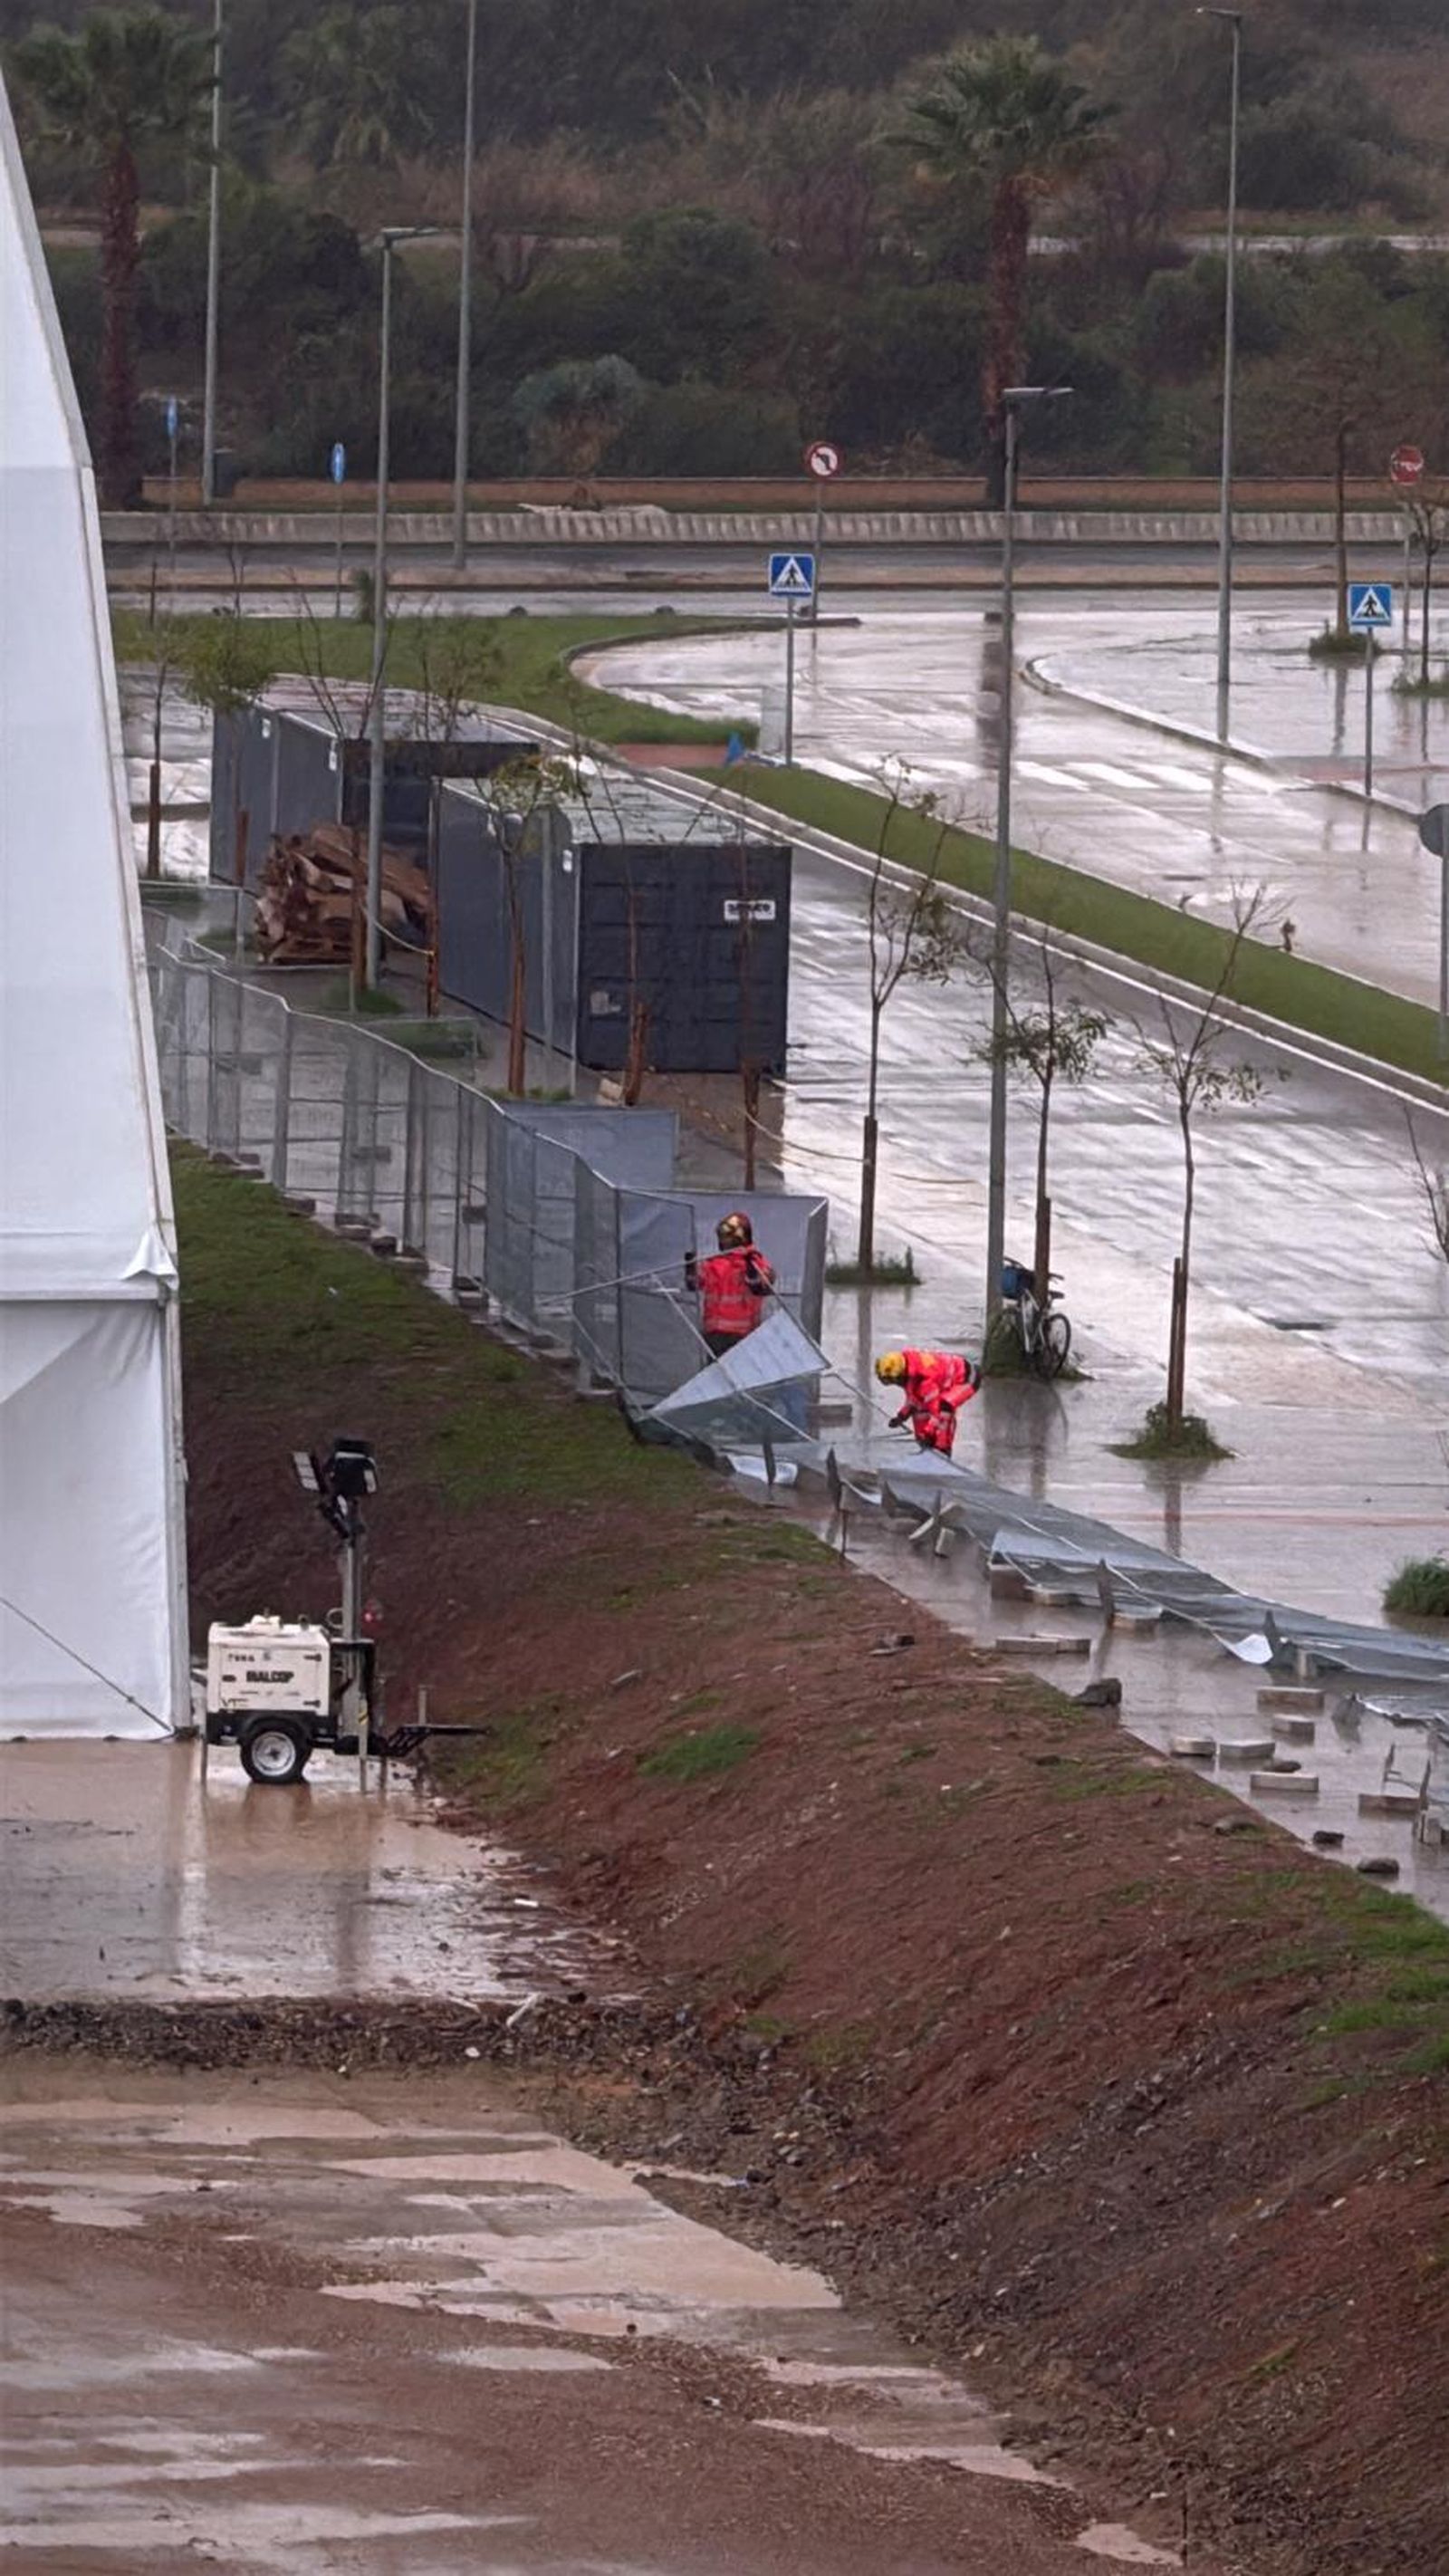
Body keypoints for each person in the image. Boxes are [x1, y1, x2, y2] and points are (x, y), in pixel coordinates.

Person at [686, 1211, 775, 1360]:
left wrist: (751, 1271)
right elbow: (693, 1284)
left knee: (741, 1378)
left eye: (726, 1237)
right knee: (716, 1379)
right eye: (722, 1238)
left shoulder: (755, 1262)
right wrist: (689, 1266)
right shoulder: (713, 1264)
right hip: (715, 1336)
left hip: (742, 1336)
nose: (723, 1241)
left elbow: (762, 1287)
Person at [875, 1348, 980, 1459]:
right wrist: (901, 1416)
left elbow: (935, 1411)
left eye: (893, 1381)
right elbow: (914, 1399)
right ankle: (927, 1450)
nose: (895, 1384)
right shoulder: (910, 1371)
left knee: (945, 1408)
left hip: (967, 1377)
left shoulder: (925, 1379)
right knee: (920, 1414)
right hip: (942, 1379)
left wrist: (928, 1434)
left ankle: (943, 1451)